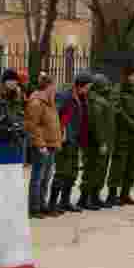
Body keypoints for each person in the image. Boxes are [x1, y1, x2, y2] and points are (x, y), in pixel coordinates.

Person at [105, 64, 134, 207]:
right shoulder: (119, 89)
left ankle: (125, 194)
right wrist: (133, 124)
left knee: (133, 164)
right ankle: (112, 195)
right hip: (124, 134)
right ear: (128, 77)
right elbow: (117, 110)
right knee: (119, 164)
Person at [53, 71, 93, 213]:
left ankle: (65, 201)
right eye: (87, 86)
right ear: (80, 85)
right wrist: (61, 133)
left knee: (72, 172)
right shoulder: (65, 96)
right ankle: (53, 203)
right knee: (61, 172)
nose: (88, 89)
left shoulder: (82, 98)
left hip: (75, 139)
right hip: (65, 140)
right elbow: (55, 115)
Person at [24, 74, 62, 218]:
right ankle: (34, 207)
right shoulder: (36, 102)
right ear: (48, 86)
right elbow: (32, 125)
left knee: (46, 177)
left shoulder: (49, 101)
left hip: (51, 144)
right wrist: (40, 144)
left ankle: (41, 203)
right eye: (54, 86)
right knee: (38, 177)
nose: (55, 89)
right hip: (42, 145)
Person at [80, 73, 117, 211]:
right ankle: (85, 198)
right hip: (96, 142)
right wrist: (102, 142)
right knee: (92, 170)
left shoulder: (102, 99)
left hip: (104, 140)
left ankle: (94, 196)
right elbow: (97, 124)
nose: (108, 88)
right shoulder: (96, 101)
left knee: (101, 170)